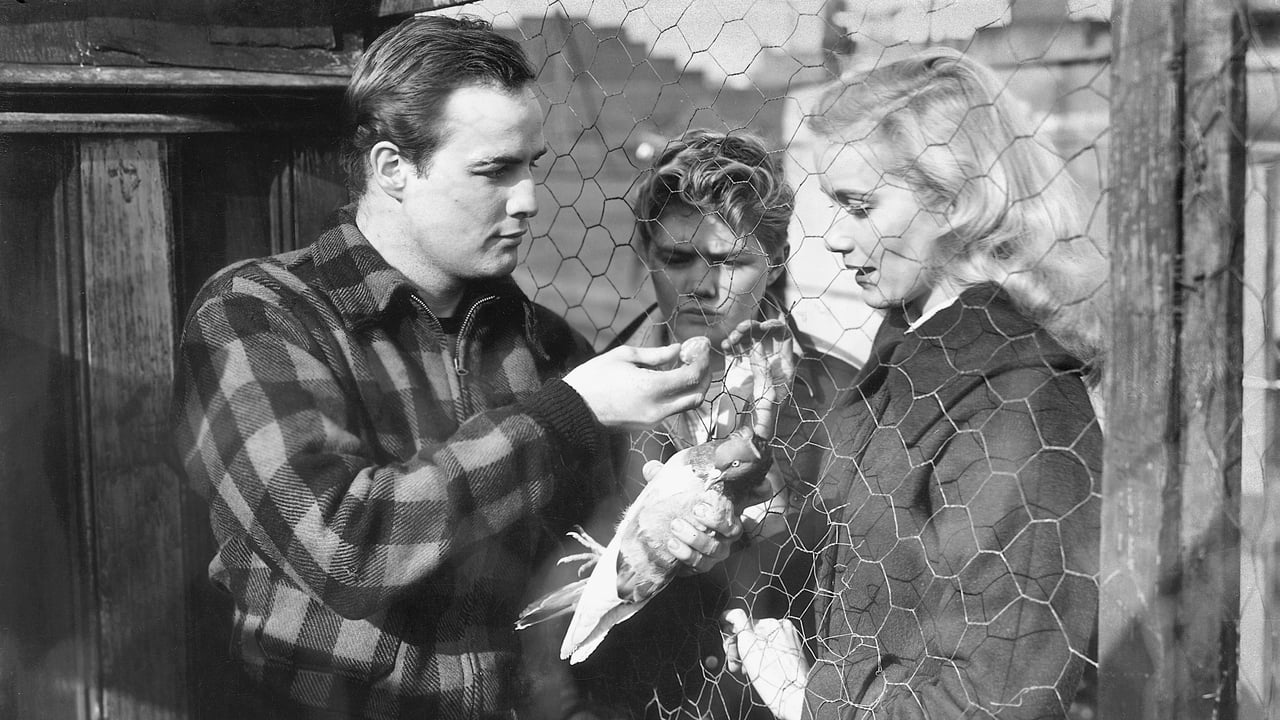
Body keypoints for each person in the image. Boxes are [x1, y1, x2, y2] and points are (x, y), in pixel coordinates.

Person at [171, 16, 743, 720]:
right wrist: (568, 412)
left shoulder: (544, 342)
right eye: (494, 170)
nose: (528, 199)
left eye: (531, 165)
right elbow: (342, 548)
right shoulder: (258, 312)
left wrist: (676, 523)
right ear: (392, 168)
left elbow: (586, 563)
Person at [722, 48, 1106, 720]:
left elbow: (998, 701)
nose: (834, 239)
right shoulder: (913, 359)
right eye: (833, 206)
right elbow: (891, 593)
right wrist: (779, 514)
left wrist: (804, 701)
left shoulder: (1020, 404)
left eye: (860, 207)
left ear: (954, 201)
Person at [525, 131, 857, 720]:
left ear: (778, 257)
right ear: (645, 252)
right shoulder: (582, 395)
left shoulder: (847, 400)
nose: (700, 285)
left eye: (729, 261)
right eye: (677, 259)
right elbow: (536, 602)